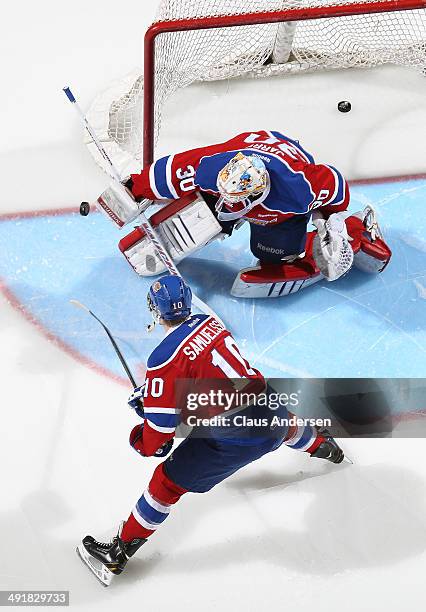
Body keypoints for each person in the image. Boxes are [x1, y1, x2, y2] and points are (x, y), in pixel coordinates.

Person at [77, 275, 344, 586]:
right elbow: (210, 376)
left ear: (156, 310)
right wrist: (156, 393)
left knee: (165, 484)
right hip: (268, 406)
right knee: (282, 424)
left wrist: (143, 429)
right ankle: (325, 447)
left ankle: (119, 552)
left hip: (234, 436)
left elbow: (158, 437)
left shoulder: (163, 360)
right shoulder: (209, 322)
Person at [102, 130, 391, 297]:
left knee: (271, 255)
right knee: (204, 210)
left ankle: (358, 231)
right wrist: (131, 191)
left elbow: (336, 186)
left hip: (288, 164)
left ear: (261, 193)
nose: (232, 209)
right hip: (247, 150)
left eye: (241, 205)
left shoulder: (297, 190)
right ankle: (216, 214)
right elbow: (165, 173)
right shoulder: (209, 168)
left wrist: (333, 225)